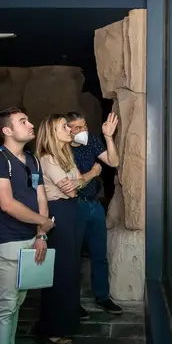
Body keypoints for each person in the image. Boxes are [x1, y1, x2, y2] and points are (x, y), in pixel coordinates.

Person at [0, 107, 53, 344]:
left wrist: (41, 233)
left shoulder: (32, 159)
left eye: (29, 118)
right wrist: (44, 222)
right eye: (23, 121)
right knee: (7, 304)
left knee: (18, 301)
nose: (31, 123)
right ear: (7, 131)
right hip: (5, 240)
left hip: (30, 239)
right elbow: (8, 204)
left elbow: (40, 195)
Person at [65, 110, 122, 314]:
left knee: (99, 253)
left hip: (93, 203)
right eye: (78, 128)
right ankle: (72, 301)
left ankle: (102, 297)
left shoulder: (92, 141)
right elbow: (72, 184)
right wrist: (94, 173)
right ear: (67, 130)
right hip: (74, 205)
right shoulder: (61, 149)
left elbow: (114, 162)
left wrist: (108, 137)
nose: (83, 131)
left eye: (85, 126)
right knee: (73, 255)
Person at [36, 114, 84, 344]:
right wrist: (76, 183)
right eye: (63, 126)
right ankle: (53, 328)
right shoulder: (48, 158)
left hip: (70, 211)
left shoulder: (65, 155)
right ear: (52, 133)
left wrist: (76, 183)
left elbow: (78, 183)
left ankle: (66, 323)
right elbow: (73, 189)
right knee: (60, 271)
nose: (69, 128)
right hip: (59, 213)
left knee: (71, 267)